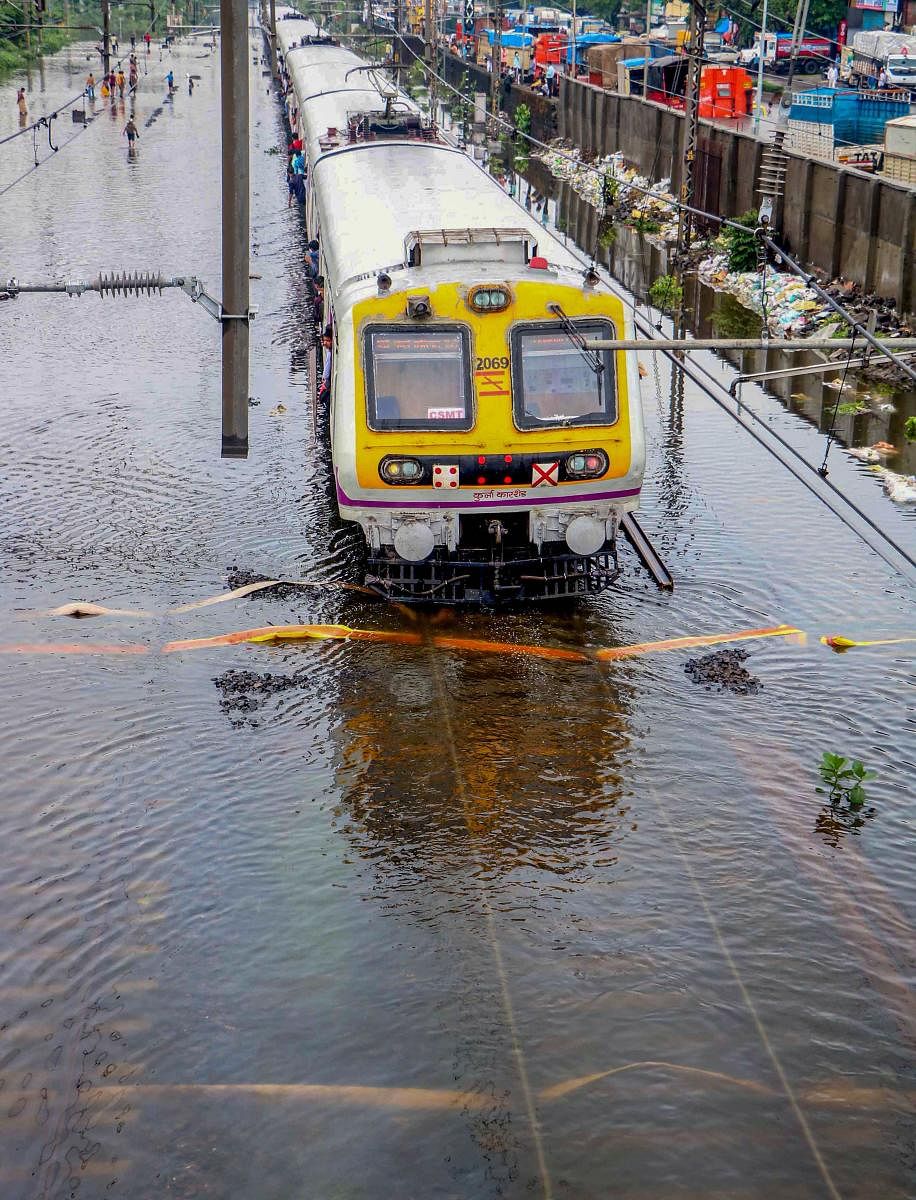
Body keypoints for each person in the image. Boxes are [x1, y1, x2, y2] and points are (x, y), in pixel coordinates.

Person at [317, 326, 333, 403]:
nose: (324, 343)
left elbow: (326, 375)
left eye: (327, 340)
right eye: (324, 340)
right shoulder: (329, 352)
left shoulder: (330, 354)